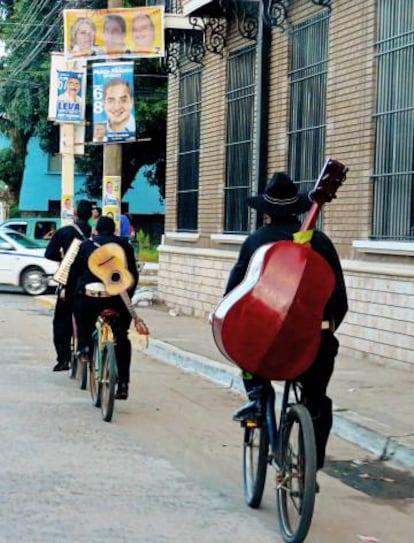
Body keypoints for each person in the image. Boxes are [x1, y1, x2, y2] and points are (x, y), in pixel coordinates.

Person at [226, 172, 348, 473]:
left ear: (266, 212)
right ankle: (309, 465)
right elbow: (339, 301)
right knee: (316, 400)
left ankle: (256, 397)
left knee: (242, 350)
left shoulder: (255, 242)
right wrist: (321, 327)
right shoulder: (320, 242)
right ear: (297, 209)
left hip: (266, 345)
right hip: (313, 344)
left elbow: (233, 295)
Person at [65, 216, 148, 400]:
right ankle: (124, 384)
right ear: (114, 231)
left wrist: (71, 293)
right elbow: (132, 275)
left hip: (90, 299)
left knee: (81, 312)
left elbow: (73, 275)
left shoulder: (86, 246)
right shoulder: (124, 246)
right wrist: (128, 297)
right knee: (121, 337)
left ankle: (85, 348)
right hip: (118, 299)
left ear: (96, 230)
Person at [45, 200, 92, 372]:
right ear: (91, 216)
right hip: (90, 282)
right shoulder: (94, 233)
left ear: (76, 214)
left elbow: (49, 253)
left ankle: (63, 359)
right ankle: (89, 351)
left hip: (69, 283)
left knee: (61, 321)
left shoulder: (64, 232)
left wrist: (63, 259)